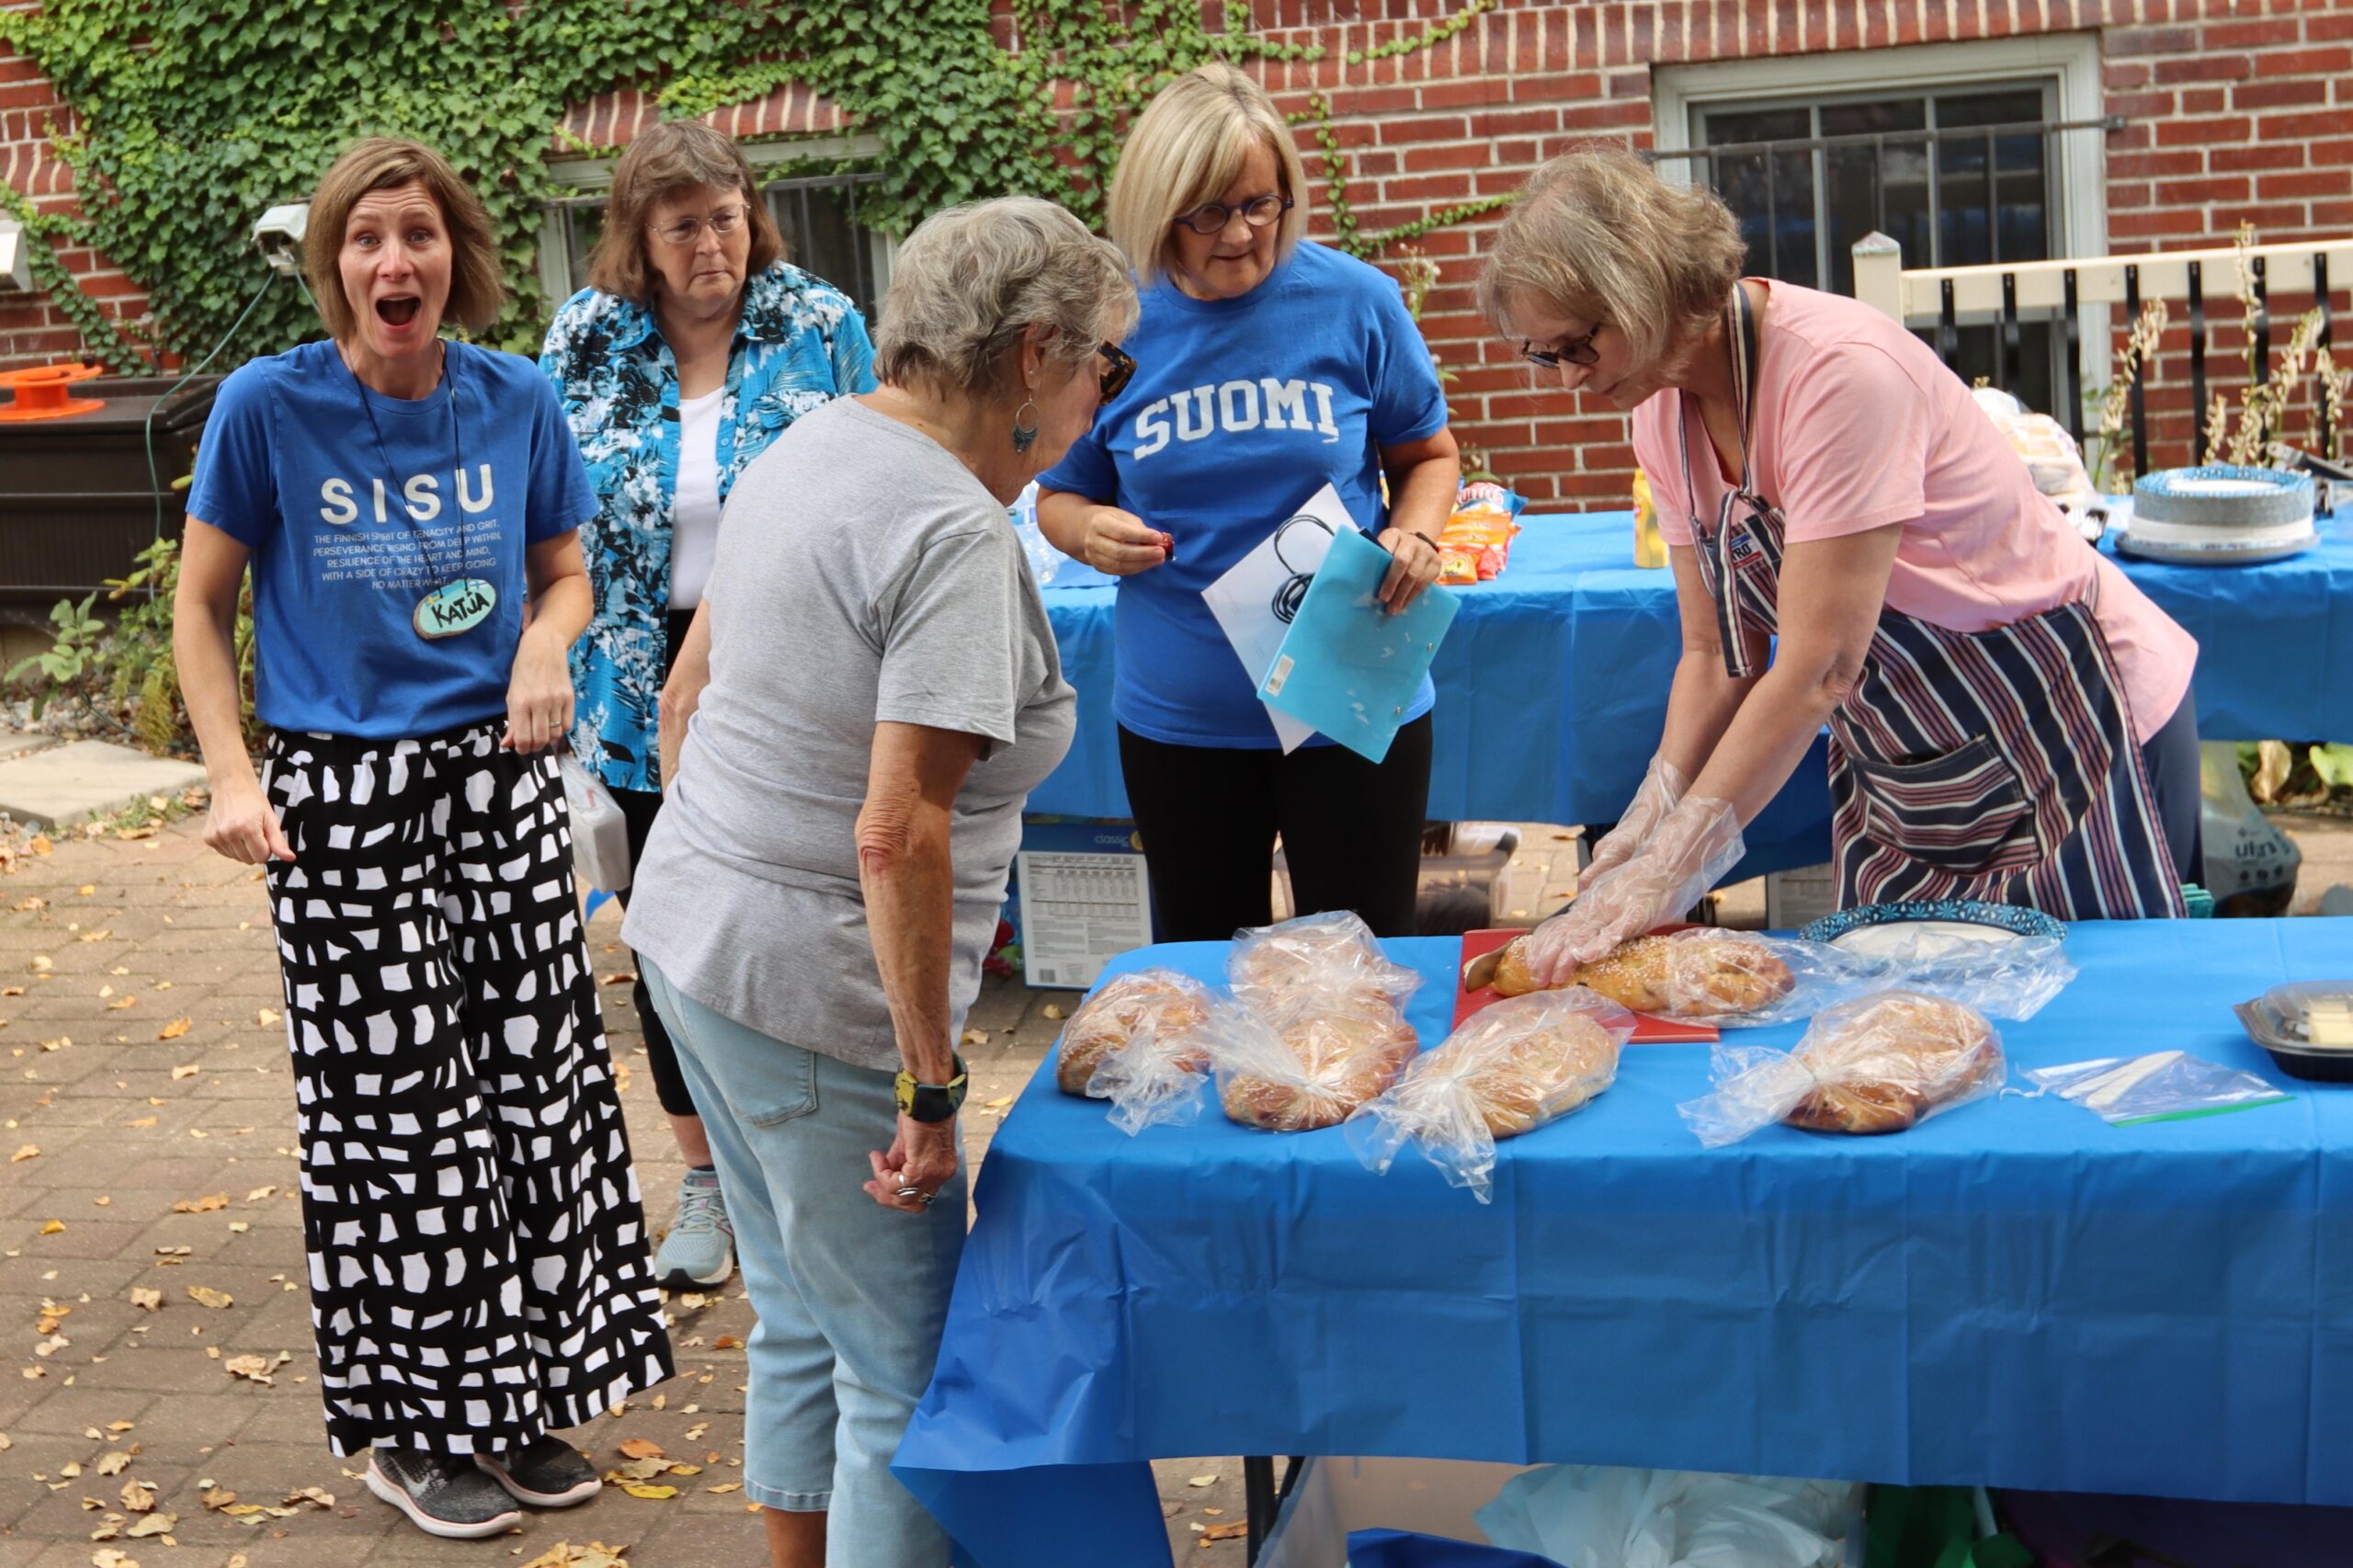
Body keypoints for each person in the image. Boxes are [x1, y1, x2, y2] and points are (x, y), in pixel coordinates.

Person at [173, 137, 674, 1540]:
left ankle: (517, 1399)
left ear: (458, 253)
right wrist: (232, 774)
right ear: (335, 263)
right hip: (341, 796)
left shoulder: (516, 401)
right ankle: (409, 1424)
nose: (396, 262)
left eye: (421, 235)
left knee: (535, 1094)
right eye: (367, 239)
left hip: (501, 778)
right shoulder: (268, 411)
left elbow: (565, 577)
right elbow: (200, 606)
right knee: (398, 1122)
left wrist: (542, 643)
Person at [625, 196, 1134, 1567]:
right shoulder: (956, 533)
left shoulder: (813, 439)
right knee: (906, 1376)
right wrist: (926, 1088)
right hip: (812, 998)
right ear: (1034, 353)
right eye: (1106, 364)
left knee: (802, 1310)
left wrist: (725, 859)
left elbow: (690, 690)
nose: (1103, 399)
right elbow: (896, 829)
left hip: (691, 943)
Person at [1476, 148, 2200, 984]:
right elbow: (1717, 656)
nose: (1570, 379)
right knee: (1893, 1025)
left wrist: (1676, 865)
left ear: (1650, 286)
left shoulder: (1838, 373)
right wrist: (1651, 816)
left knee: (2084, 1014)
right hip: (1914, 762)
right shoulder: (1658, 413)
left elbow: (1819, 664)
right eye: (1546, 354)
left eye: (1581, 344)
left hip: (2069, 726)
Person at [541, 119, 877, 1291]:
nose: (710, 243)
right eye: (682, 224)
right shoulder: (586, 339)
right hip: (633, 686)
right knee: (671, 937)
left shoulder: (820, 322)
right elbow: (545, 511)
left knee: (798, 919)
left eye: (726, 215)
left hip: (787, 675)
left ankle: (810, 1159)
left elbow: (871, 487)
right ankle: (705, 1178)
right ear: (637, 237)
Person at [1035, 62, 1461, 941]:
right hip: (1185, 720)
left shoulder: (1356, 303)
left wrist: (1414, 532)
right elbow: (1059, 494)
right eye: (1208, 213)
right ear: (1160, 209)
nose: (1240, 235)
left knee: (1362, 969)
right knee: (1202, 973)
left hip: (1347, 692)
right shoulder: (1115, 324)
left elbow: (1429, 454)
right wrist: (1088, 532)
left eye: (1261, 204)